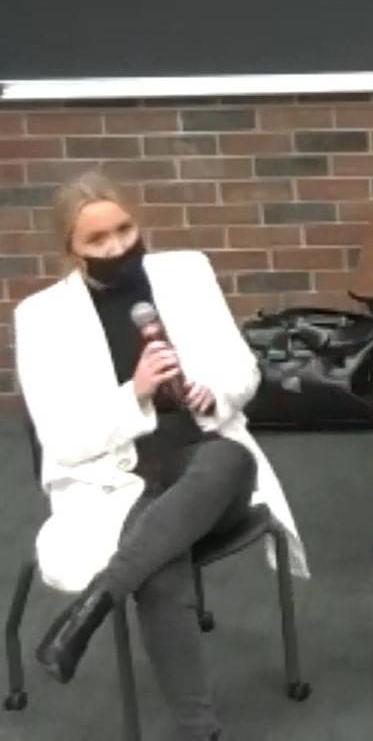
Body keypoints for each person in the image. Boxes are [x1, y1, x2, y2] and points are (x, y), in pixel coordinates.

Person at [13, 172, 309, 741]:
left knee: (228, 460)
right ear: (70, 251)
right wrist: (136, 393)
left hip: (203, 461)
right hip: (115, 478)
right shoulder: (41, 318)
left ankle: (96, 604)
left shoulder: (187, 274)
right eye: (96, 241)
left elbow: (243, 372)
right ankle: (199, 730)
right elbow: (64, 442)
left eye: (124, 229)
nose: (118, 248)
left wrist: (211, 392)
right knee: (159, 563)